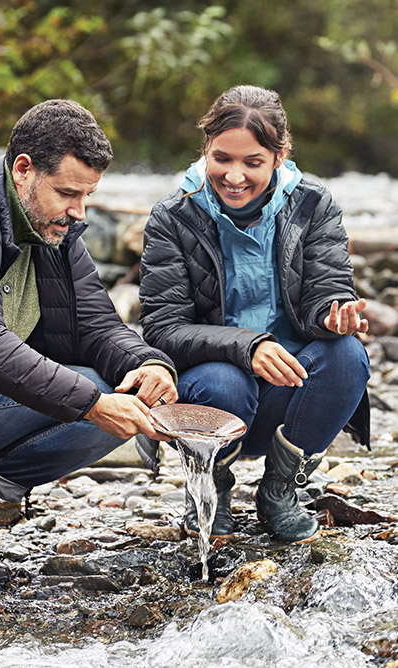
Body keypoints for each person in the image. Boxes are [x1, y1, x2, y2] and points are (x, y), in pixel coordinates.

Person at [0, 99, 178, 629]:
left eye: (88, 196)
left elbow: (97, 326)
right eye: (68, 193)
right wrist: (92, 405)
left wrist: (149, 363)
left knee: (113, 386)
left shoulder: (55, 230)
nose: (80, 213)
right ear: (23, 169)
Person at [138, 85, 370, 546]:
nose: (234, 175)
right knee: (224, 380)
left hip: (289, 397)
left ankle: (279, 492)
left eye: (252, 162)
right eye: (221, 158)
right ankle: (211, 490)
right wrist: (249, 347)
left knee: (348, 355)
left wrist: (333, 316)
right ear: (205, 148)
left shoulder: (313, 204)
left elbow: (327, 290)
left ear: (279, 157)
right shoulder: (172, 216)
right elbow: (164, 329)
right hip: (214, 396)